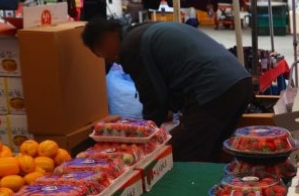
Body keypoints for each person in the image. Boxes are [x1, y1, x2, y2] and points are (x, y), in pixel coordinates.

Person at [81, 19, 254, 162]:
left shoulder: (130, 46)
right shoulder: (144, 29)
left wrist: (143, 137)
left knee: (180, 155)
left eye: (103, 53)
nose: (112, 60)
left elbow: (152, 97)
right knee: (212, 151)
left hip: (214, 90)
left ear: (106, 39)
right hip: (239, 82)